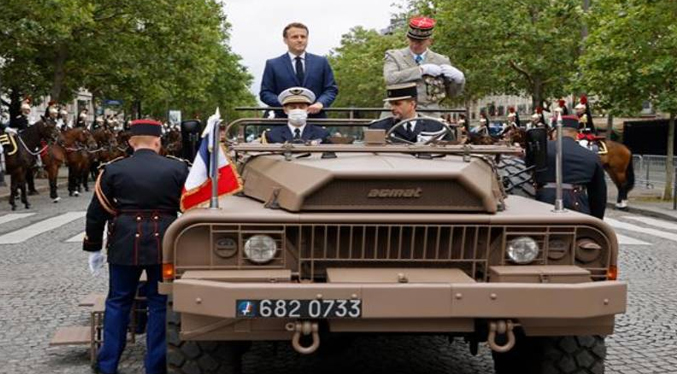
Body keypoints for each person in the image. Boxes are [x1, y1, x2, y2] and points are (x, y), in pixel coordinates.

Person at [83, 119, 189, 374]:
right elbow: (192, 205)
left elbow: (97, 212)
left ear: (131, 143)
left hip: (124, 240)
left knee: (118, 301)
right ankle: (156, 366)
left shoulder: (113, 170)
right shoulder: (178, 168)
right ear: (158, 142)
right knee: (159, 303)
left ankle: (108, 364)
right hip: (165, 240)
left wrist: (94, 247)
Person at [383, 16, 465, 117]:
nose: (414, 45)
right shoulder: (395, 56)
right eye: (412, 40)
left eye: (419, 42)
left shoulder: (441, 61)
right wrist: (421, 70)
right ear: (407, 38)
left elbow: (453, 94)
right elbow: (390, 78)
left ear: (430, 41)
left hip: (429, 115)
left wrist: (459, 80)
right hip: (396, 114)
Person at [260, 22, 338, 118]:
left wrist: (320, 103)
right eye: (295, 37)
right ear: (285, 40)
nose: (300, 40)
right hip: (283, 122)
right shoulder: (273, 64)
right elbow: (265, 93)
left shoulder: (321, 62)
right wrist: (285, 104)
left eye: (303, 37)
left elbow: (331, 89)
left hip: (316, 121)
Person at [535, 115, 607, 219]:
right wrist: (597, 219)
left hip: (541, 201)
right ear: (577, 134)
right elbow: (598, 194)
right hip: (577, 203)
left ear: (554, 132)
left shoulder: (540, 149)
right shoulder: (591, 156)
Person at [369, 82, 447, 143]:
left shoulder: (436, 127)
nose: (392, 108)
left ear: (412, 104)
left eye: (397, 104)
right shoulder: (378, 128)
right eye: (391, 104)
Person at [265, 87, 330, 143]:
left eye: (301, 107)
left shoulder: (322, 134)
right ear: (285, 110)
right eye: (293, 107)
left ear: (308, 109)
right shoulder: (272, 135)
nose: (297, 110)